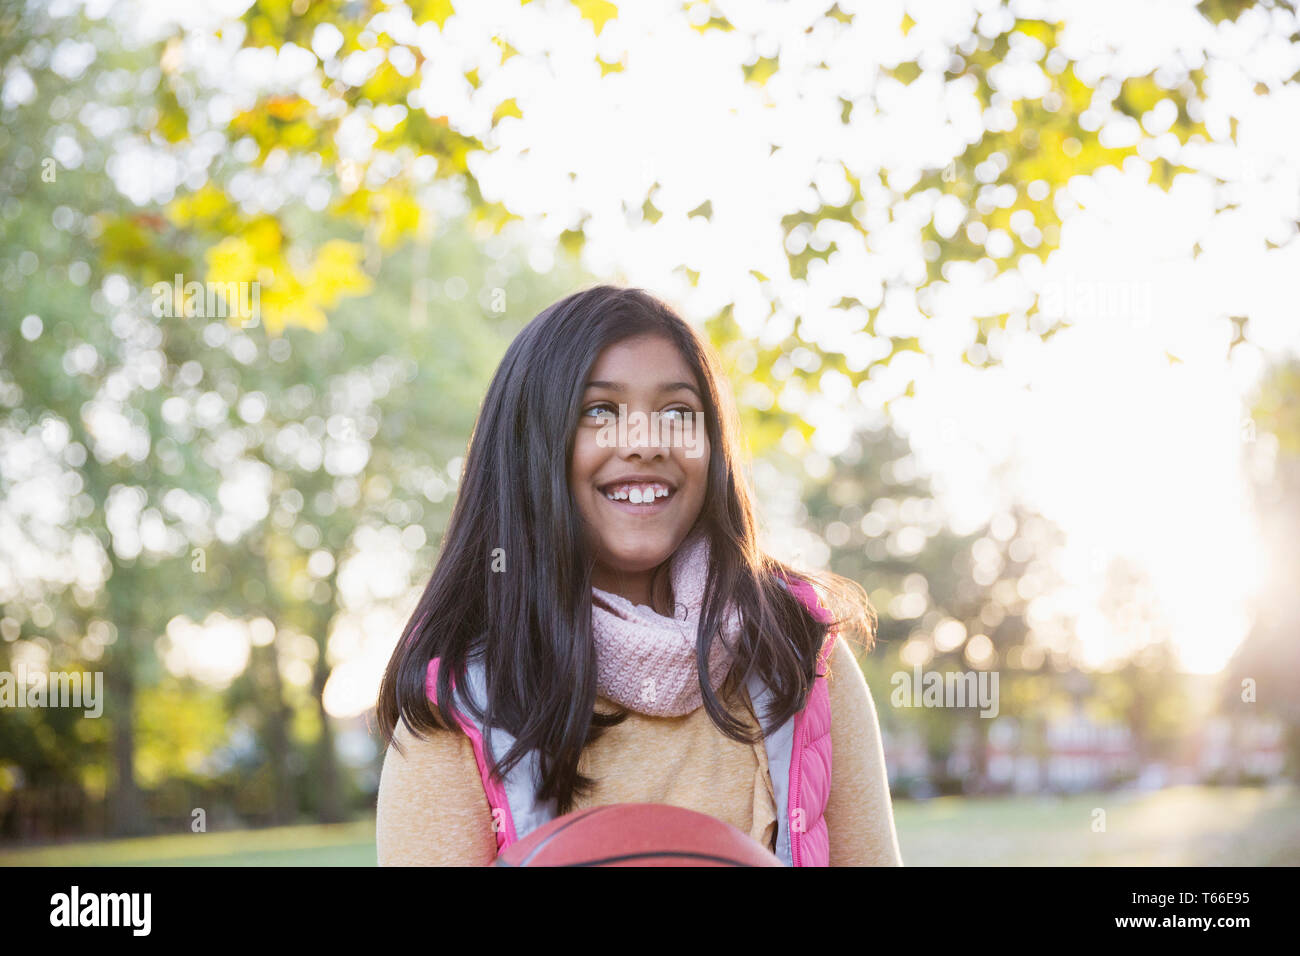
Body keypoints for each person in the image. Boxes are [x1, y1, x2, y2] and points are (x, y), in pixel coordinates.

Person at [374, 284, 903, 866]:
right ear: (531, 446)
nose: (645, 443)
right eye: (598, 410)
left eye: (678, 412)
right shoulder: (459, 700)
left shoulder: (799, 655)